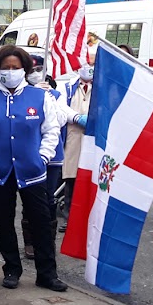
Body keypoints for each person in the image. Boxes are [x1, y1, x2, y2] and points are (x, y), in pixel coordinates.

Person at [0, 46, 67, 292]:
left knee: (41, 222)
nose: (10, 72)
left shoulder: (40, 96)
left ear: (24, 69)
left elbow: (51, 130)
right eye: (6, 68)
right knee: (3, 221)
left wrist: (43, 156)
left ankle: (47, 273)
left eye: (15, 68)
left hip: (33, 171)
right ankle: (12, 268)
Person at [21, 54, 78, 259]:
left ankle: (46, 242)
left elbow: (62, 118)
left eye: (39, 70)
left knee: (49, 199)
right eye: (32, 71)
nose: (36, 74)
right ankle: (29, 242)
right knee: (30, 198)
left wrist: (49, 99)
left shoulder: (55, 93)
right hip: (29, 155)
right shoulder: (23, 93)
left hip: (52, 157)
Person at [59, 56, 94, 232]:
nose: (88, 67)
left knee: (89, 179)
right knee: (71, 179)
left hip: (94, 137)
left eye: (92, 64)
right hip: (73, 136)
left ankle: (87, 219)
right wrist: (76, 117)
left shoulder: (101, 87)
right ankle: (69, 218)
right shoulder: (68, 87)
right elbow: (61, 108)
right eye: (85, 63)